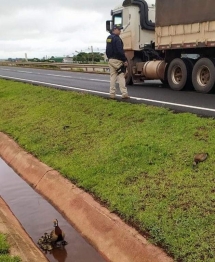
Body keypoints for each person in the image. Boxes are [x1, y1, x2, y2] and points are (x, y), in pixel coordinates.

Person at [106, 24, 130, 99]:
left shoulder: (109, 38)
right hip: (118, 60)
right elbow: (120, 51)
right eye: (119, 29)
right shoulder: (117, 39)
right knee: (121, 76)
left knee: (113, 77)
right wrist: (124, 60)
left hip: (111, 60)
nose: (120, 31)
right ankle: (124, 93)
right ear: (114, 29)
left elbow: (107, 50)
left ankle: (112, 94)